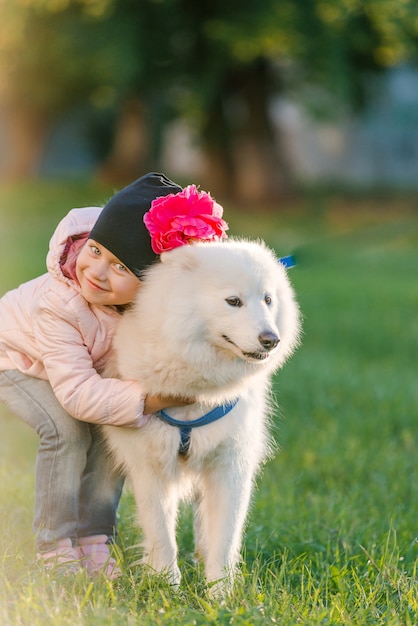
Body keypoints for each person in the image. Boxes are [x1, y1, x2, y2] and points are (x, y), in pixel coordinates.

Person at [0, 172, 202, 578]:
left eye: (120, 266)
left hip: (78, 371)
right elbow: (77, 395)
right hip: (15, 359)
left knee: (114, 431)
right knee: (68, 430)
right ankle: (55, 541)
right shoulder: (57, 305)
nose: (96, 271)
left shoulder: (150, 308)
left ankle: (95, 537)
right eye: (95, 250)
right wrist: (152, 400)